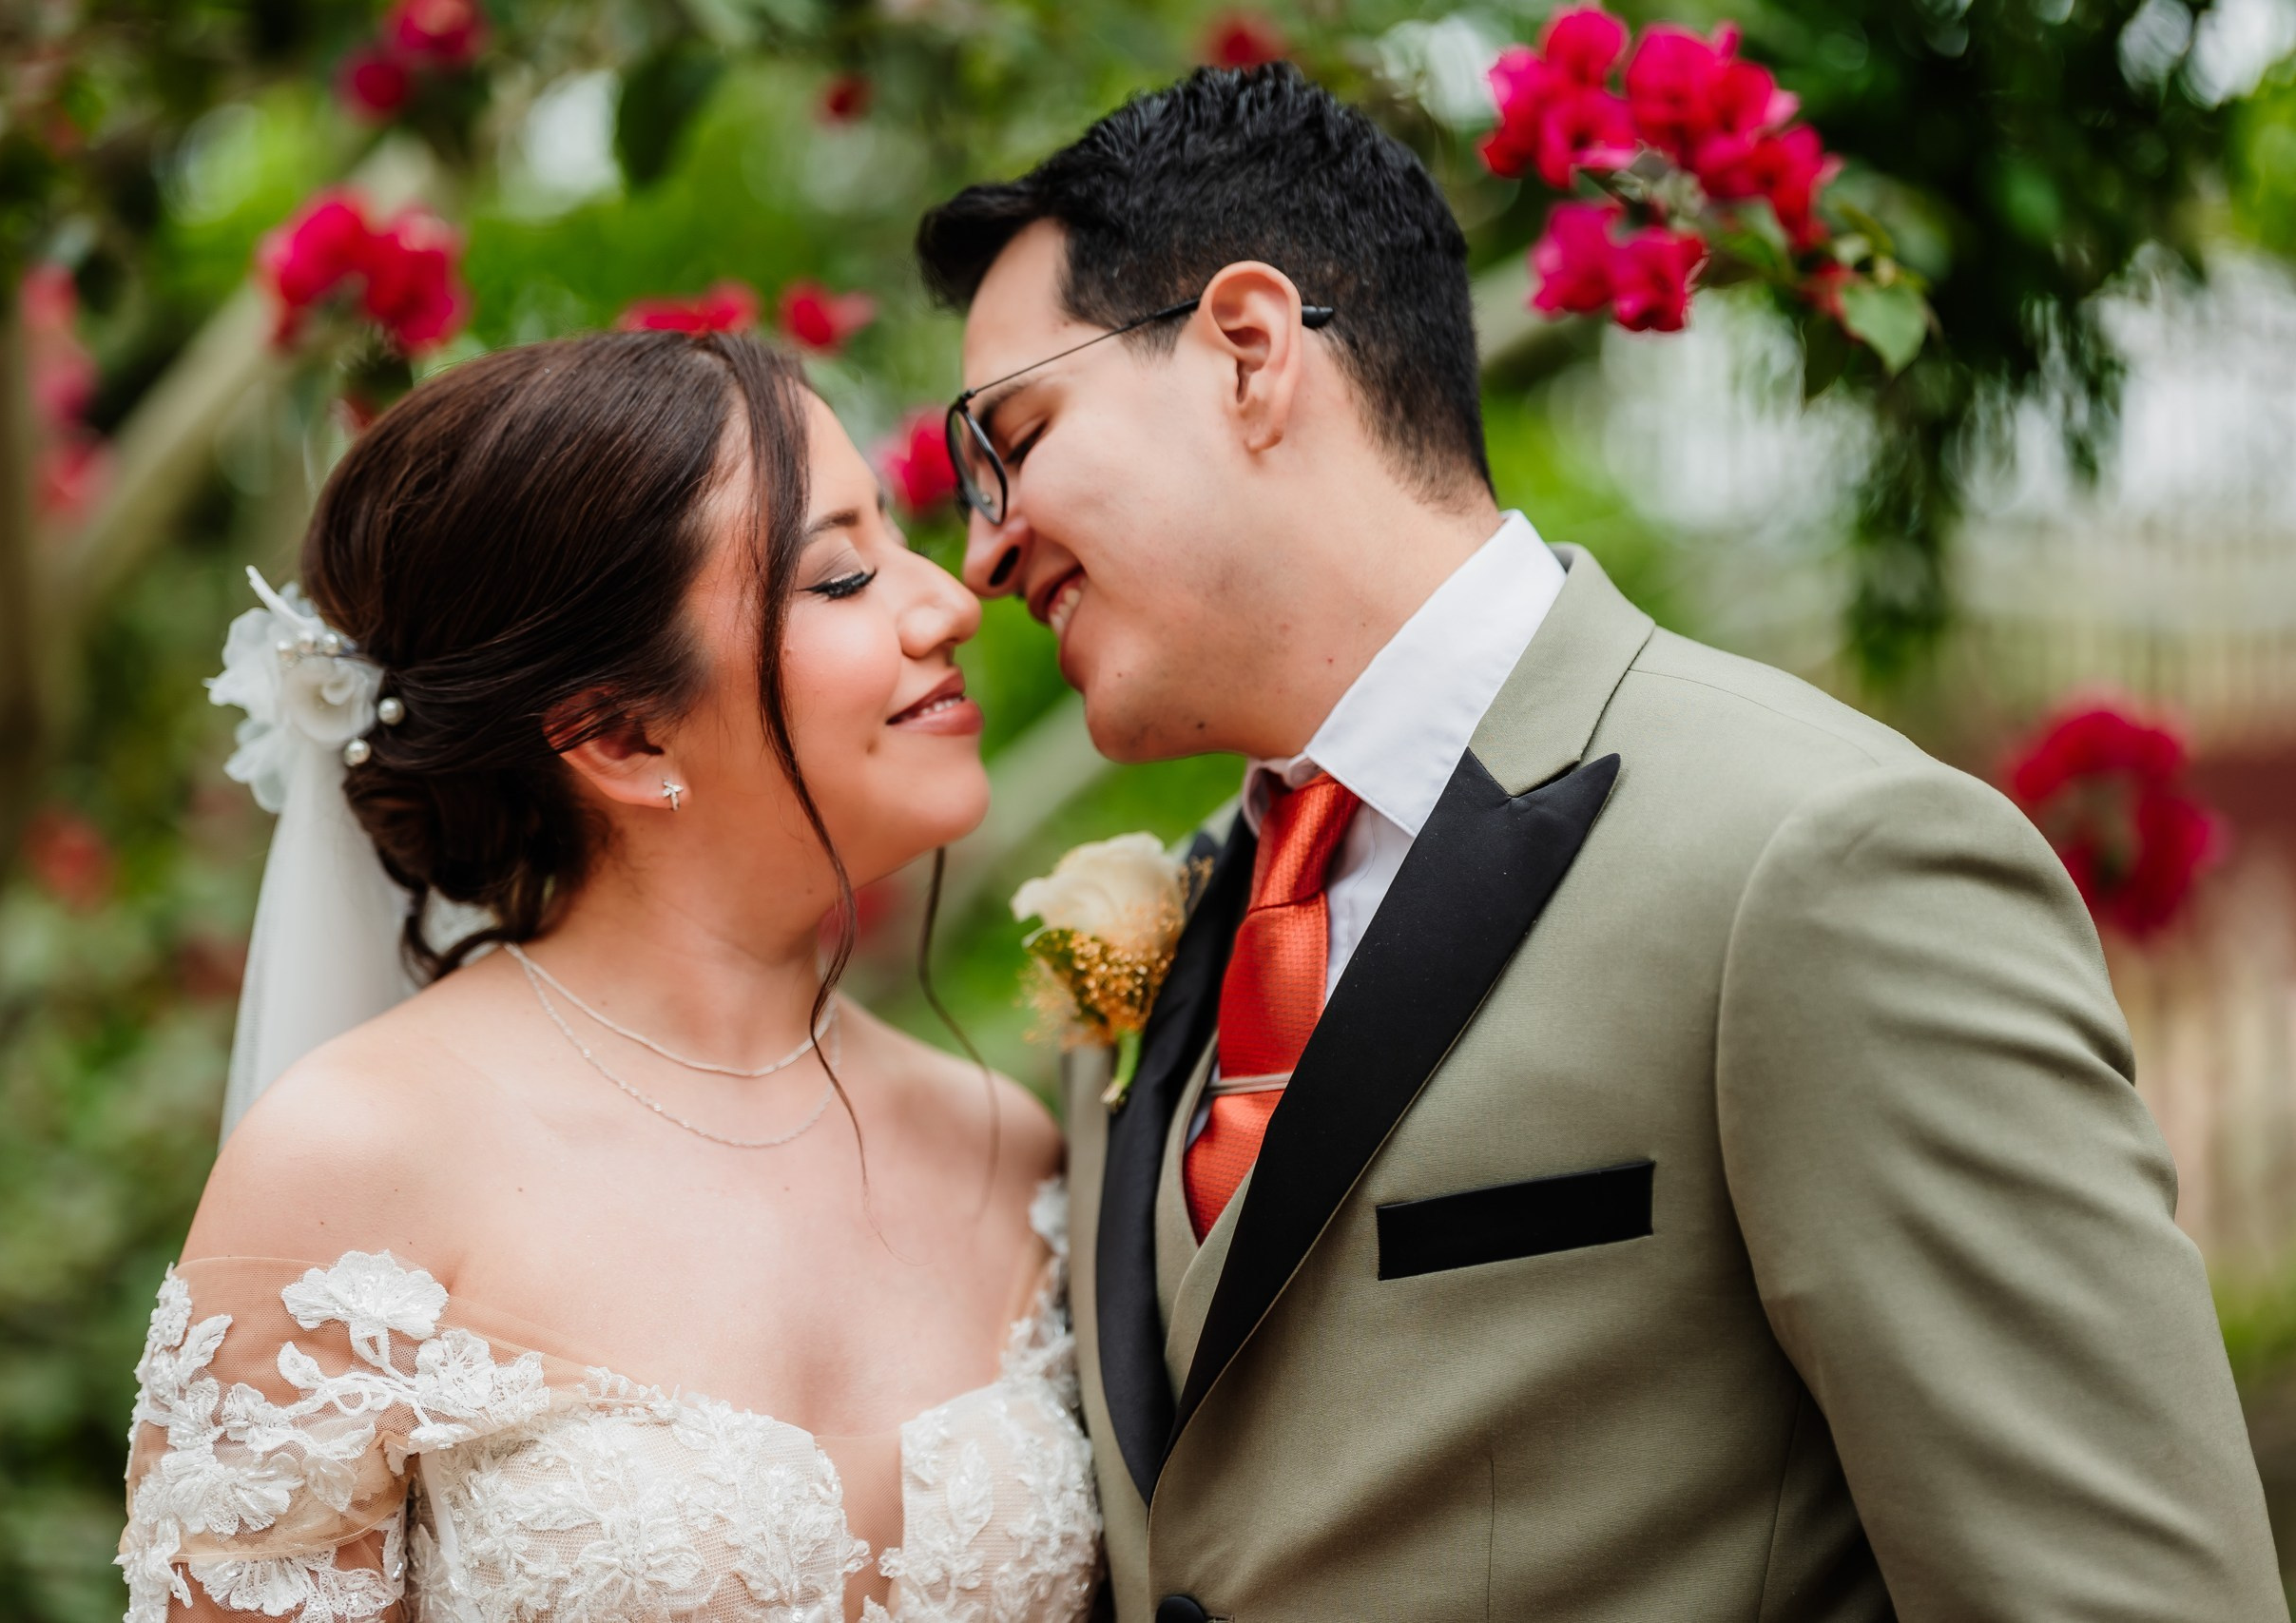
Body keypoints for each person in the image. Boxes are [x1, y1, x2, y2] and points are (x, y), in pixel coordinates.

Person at [916, 64, 2286, 1622]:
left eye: (1012, 439)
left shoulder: (1820, 861)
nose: (983, 543)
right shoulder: (1166, 937)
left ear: (1246, 351)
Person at [116, 332, 1102, 1623]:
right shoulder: (352, 1164)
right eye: (845, 576)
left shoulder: (1005, 1143)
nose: (950, 604)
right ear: (624, 736)